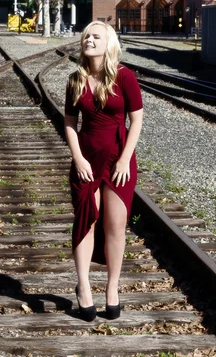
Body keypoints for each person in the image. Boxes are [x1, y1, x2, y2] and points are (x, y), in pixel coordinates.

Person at [64, 21, 143, 321]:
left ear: (108, 43)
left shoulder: (125, 77)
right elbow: (70, 123)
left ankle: (112, 288)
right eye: (86, 36)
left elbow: (136, 120)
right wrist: (78, 158)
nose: (89, 40)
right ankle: (84, 287)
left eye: (96, 36)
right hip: (87, 157)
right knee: (86, 219)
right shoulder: (75, 79)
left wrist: (125, 160)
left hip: (118, 158)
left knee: (115, 223)